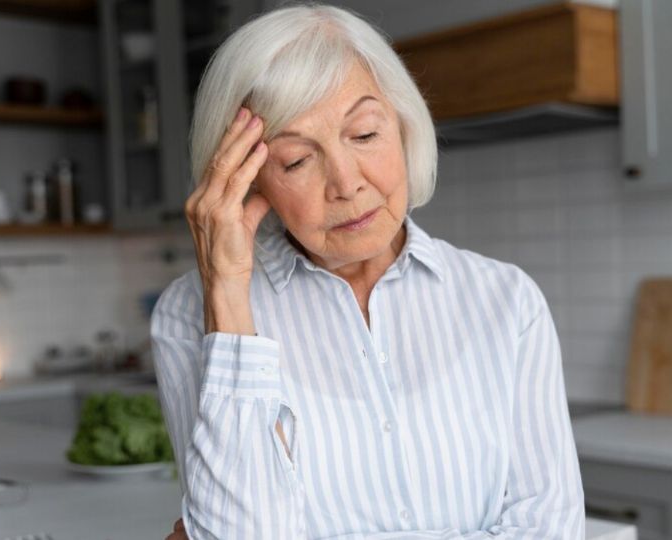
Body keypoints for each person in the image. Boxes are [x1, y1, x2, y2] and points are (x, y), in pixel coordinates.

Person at [151, 2, 585, 539]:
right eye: (295, 161)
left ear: (402, 126)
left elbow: (548, 531)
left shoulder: (507, 301)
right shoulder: (188, 313)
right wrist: (228, 297)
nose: (346, 183)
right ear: (245, 180)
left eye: (363, 135)